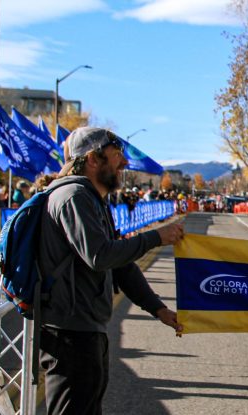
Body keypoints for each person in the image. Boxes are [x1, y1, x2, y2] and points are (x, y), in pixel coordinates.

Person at [38, 126, 185, 414]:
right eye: (117, 155)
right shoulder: (73, 197)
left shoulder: (92, 199)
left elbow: (121, 266)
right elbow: (100, 256)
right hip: (68, 333)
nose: (124, 163)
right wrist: (156, 237)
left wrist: (158, 309)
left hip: (87, 330)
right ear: (93, 159)